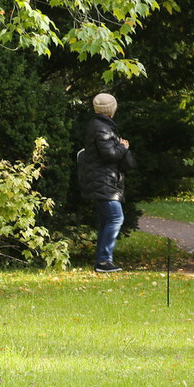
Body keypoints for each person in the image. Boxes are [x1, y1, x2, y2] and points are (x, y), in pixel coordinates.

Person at [77, 93, 134, 274]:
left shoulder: (100, 126)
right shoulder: (101, 127)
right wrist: (123, 146)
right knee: (116, 217)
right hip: (103, 180)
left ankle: (102, 261)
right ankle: (103, 260)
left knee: (106, 220)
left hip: (103, 179)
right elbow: (109, 154)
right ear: (111, 109)